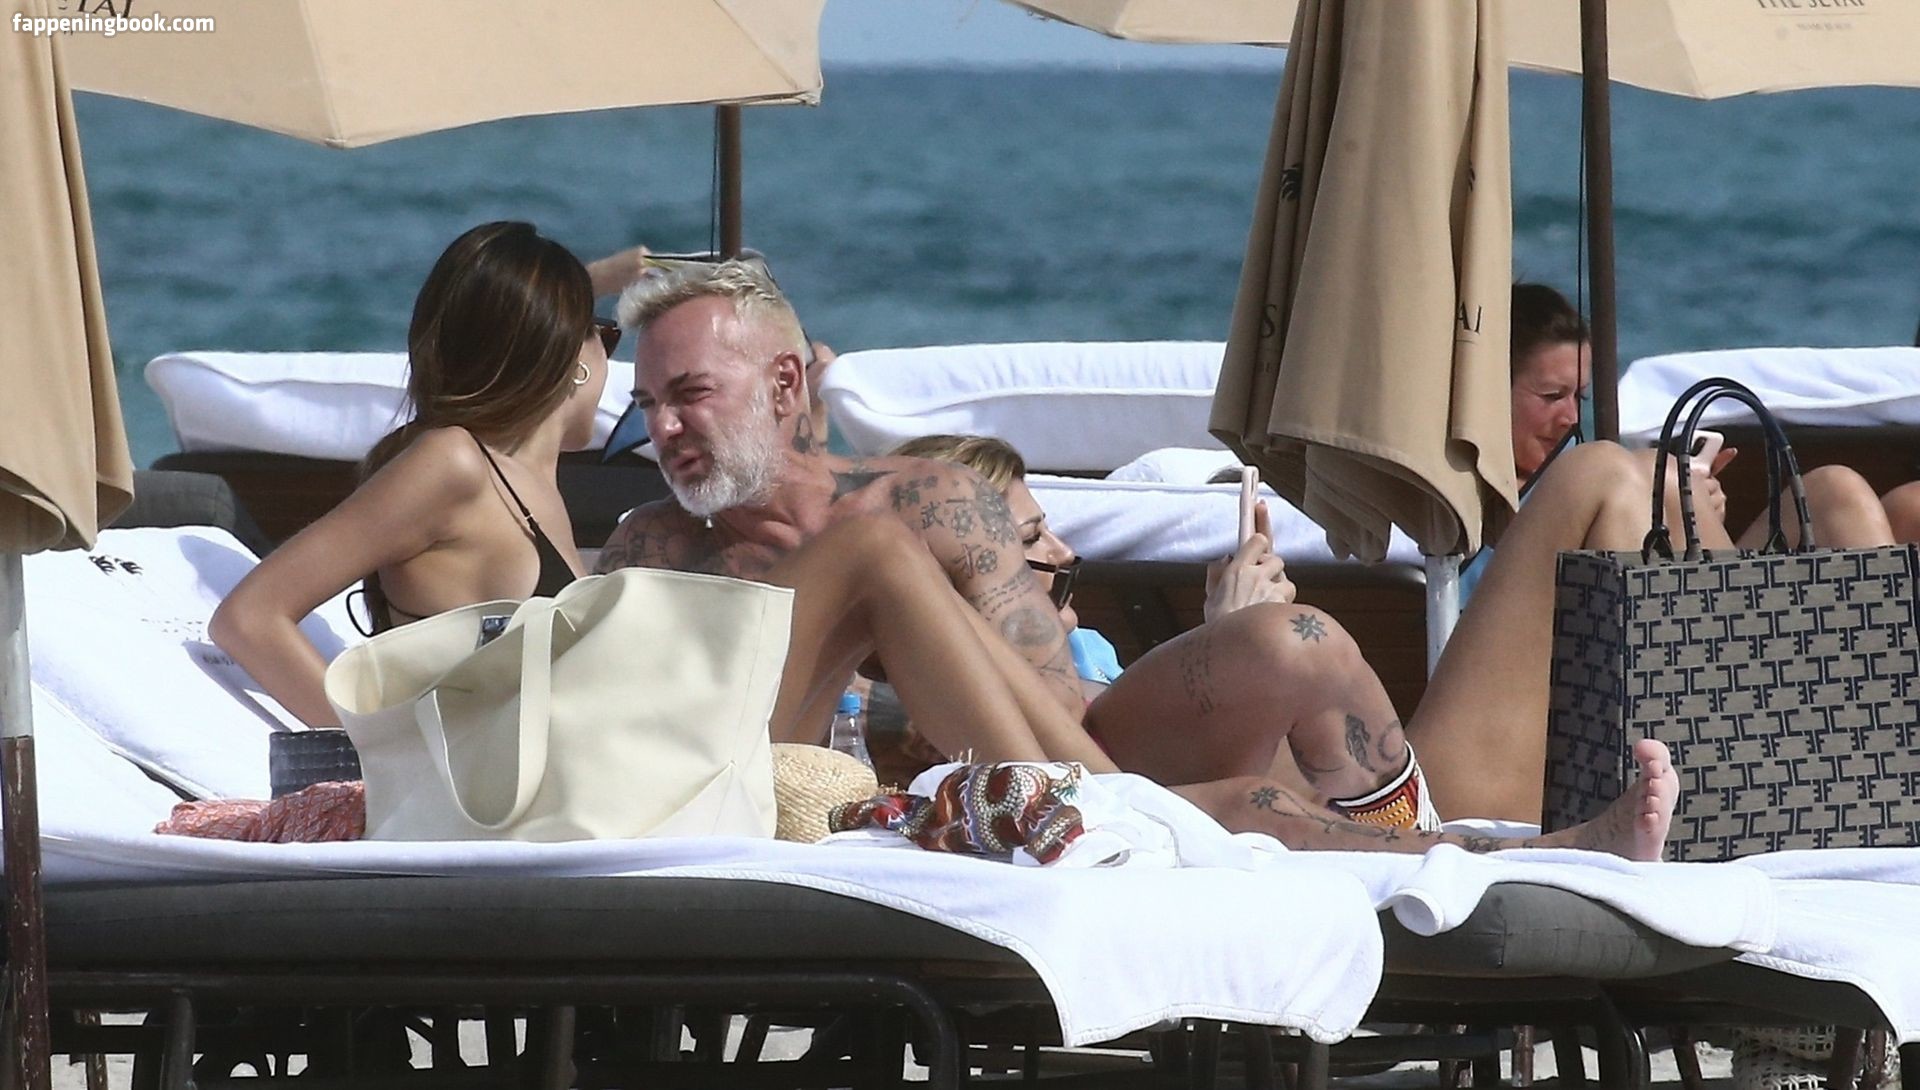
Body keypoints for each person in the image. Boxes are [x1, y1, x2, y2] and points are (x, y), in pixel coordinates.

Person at [595, 257, 1680, 857]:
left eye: (691, 395)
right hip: (840, 804)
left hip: (1038, 769)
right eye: (648, 404)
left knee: (1294, 641)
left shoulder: (930, 503)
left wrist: (946, 692)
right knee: (1231, 805)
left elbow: (1059, 707)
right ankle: (1483, 855)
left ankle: (1427, 842)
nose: (666, 429)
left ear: (786, 385)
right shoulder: (655, 546)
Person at [211, 221, 612, 726]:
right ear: (575, 357)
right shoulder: (455, 464)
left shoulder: (531, 486)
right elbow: (249, 618)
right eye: (607, 335)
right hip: (466, 772)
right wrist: (379, 751)